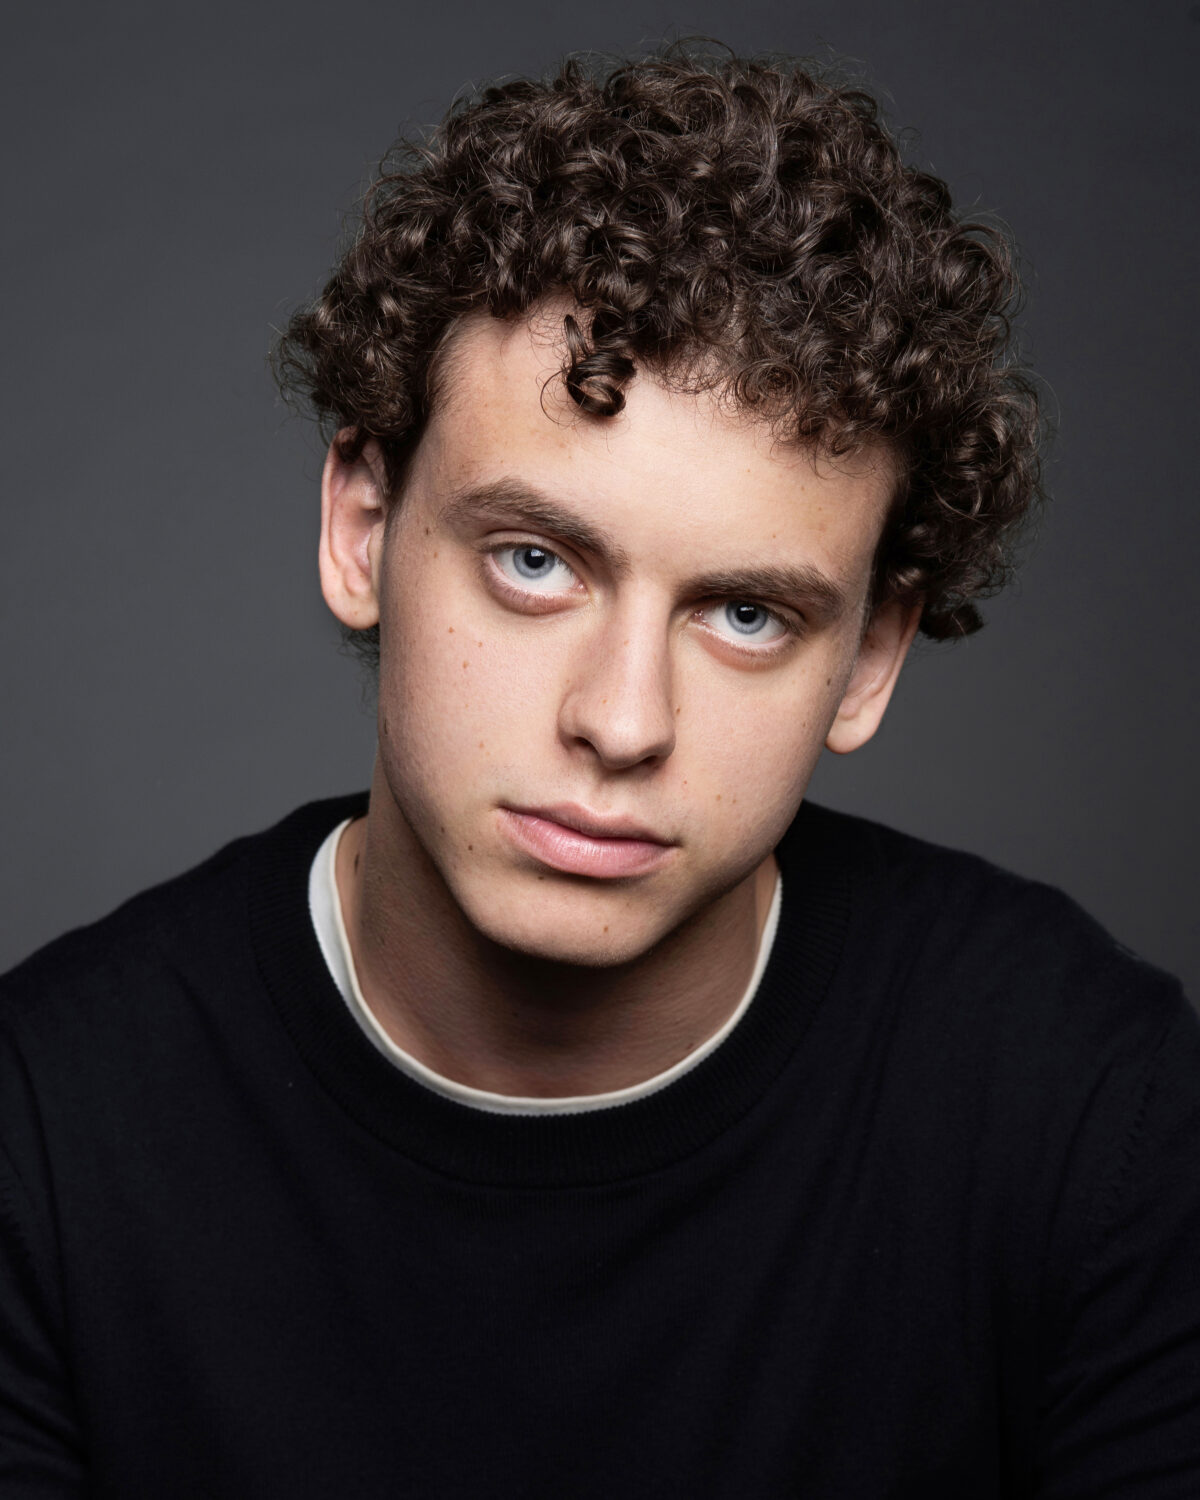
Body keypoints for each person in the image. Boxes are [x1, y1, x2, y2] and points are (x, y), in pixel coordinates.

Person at [1, 44, 1197, 1498]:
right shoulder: (46, 1133)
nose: (623, 722)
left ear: (870, 658)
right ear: (364, 529)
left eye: (745, 615)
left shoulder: (1092, 1114)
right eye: (534, 561)